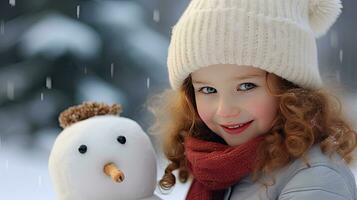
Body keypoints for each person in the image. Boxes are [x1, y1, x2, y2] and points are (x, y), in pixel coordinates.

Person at [149, 0, 357, 199]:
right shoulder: (219, 167)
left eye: (246, 86)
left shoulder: (315, 177)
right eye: (208, 89)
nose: (225, 110)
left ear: (290, 89)